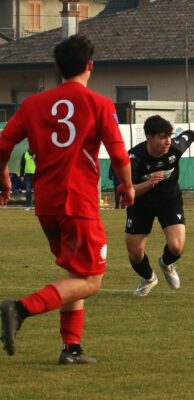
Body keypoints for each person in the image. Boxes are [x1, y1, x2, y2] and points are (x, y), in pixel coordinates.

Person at [0, 34, 135, 364]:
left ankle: (71, 348)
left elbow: (3, 143)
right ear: (90, 65)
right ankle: (19, 309)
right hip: (78, 203)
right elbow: (118, 154)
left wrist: (3, 175)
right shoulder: (100, 104)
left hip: (46, 205)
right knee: (91, 280)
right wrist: (127, 186)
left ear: (57, 68)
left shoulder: (32, 104)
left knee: (76, 274)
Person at [126, 115, 194, 297]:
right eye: (162, 137)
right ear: (149, 138)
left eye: (169, 136)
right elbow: (127, 190)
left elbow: (191, 134)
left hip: (169, 200)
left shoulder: (175, 146)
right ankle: (149, 278)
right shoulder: (133, 159)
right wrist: (148, 183)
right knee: (135, 254)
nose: (167, 141)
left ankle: (166, 263)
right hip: (141, 204)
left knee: (176, 247)